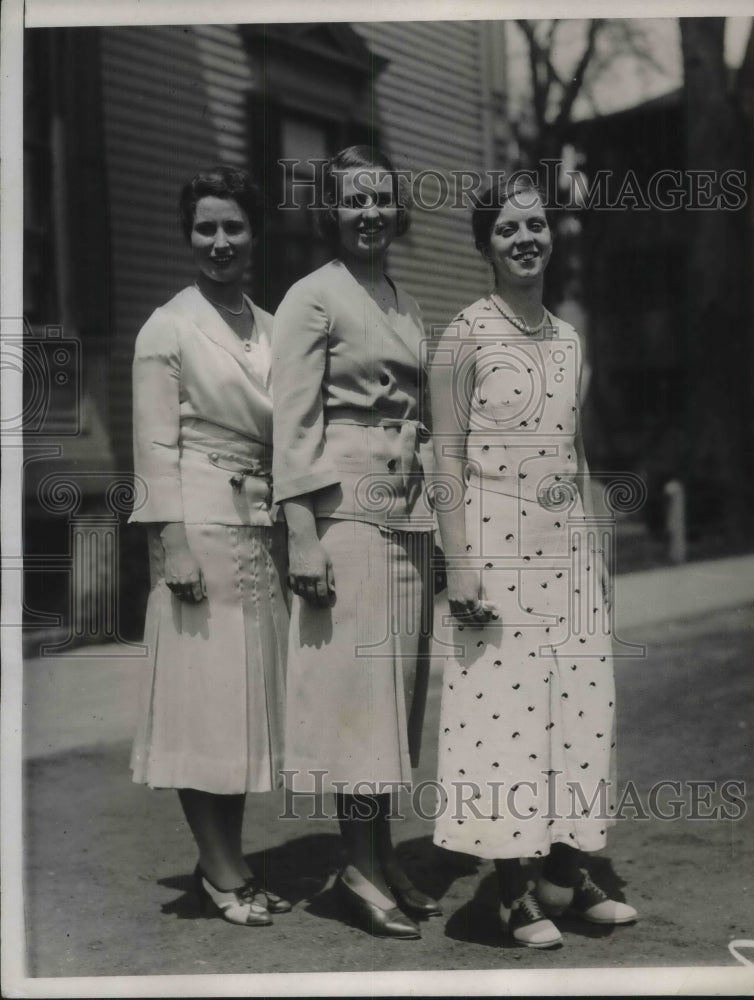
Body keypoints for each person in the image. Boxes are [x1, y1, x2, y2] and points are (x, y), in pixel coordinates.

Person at [429, 175, 637, 948]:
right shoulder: (463, 335)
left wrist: (596, 545)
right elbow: (444, 459)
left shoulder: (568, 335)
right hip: (494, 551)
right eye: (508, 228)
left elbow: (574, 449)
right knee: (504, 721)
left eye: (536, 225)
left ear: (552, 236)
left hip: (566, 555)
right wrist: (460, 567)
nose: (525, 239)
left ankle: (565, 873)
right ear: (485, 243)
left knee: (579, 713)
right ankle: (510, 891)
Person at [271, 145, 440, 940]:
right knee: (356, 697)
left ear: (394, 210)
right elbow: (292, 424)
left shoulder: (402, 300)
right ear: (331, 213)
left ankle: (379, 854)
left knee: (396, 696)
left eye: (380, 200)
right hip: (343, 512)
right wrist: (300, 533)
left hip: (406, 510)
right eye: (353, 202)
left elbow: (421, 409)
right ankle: (357, 867)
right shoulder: (313, 297)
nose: (368, 214)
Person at [129, 165, 291, 927]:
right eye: (205, 227)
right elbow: (153, 448)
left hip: (256, 524)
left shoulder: (270, 323)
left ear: (253, 233)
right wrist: (173, 545)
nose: (219, 241)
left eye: (232, 226)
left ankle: (226, 859)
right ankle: (223, 872)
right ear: (187, 234)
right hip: (197, 521)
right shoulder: (167, 327)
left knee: (238, 702)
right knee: (204, 703)